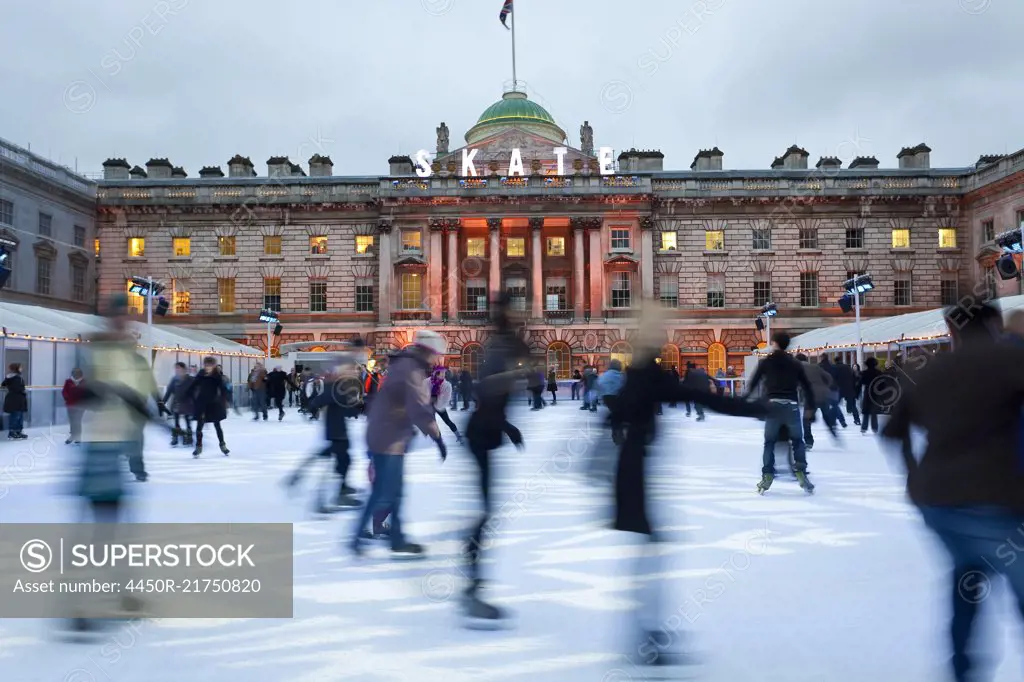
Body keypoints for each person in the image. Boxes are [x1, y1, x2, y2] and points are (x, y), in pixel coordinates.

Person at [607, 301, 771, 672]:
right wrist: (752, 409)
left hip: (631, 468)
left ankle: (644, 634)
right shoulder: (648, 374)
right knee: (650, 554)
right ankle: (644, 638)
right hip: (633, 472)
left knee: (649, 552)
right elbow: (699, 397)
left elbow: (617, 413)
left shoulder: (637, 373)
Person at [881, 301, 1024, 682]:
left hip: (941, 501)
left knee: (968, 579)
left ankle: (962, 669)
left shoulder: (929, 371)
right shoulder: (1011, 362)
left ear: (950, 327)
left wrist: (913, 477)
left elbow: (891, 432)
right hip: (1001, 498)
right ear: (995, 323)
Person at [461, 293, 530, 628]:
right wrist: (508, 425)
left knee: (486, 511)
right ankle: (472, 581)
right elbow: (487, 392)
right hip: (480, 435)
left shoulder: (502, 345)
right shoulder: (500, 347)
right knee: (486, 512)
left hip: (484, 436)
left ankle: (472, 572)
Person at [350, 330, 448, 559]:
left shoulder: (405, 365)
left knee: (391, 492)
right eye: (437, 355)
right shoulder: (411, 369)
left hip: (388, 434)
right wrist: (437, 437)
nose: (438, 360)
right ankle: (368, 539)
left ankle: (393, 538)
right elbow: (418, 407)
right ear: (429, 351)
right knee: (386, 492)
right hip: (388, 438)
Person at [290, 351, 365, 514]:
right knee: (335, 463)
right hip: (336, 431)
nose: (354, 371)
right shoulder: (334, 385)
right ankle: (322, 499)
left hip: (339, 430)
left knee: (344, 461)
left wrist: (356, 406)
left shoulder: (341, 385)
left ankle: (340, 489)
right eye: (351, 369)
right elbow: (319, 400)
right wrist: (313, 408)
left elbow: (346, 406)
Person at [745, 331, 816, 494]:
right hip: (791, 406)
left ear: (774, 343)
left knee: (769, 442)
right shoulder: (795, 363)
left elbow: (753, 384)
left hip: (773, 406)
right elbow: (807, 387)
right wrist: (810, 408)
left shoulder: (766, 363)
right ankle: (800, 470)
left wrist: (745, 402)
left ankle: (768, 473)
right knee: (798, 441)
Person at [188, 357, 232, 457]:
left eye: (210, 365)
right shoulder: (201, 374)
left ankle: (223, 445)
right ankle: (198, 447)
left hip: (213, 404)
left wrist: (225, 400)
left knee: (217, 426)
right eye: (206, 365)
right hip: (202, 404)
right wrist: (191, 396)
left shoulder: (217, 376)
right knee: (200, 427)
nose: (208, 367)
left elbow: (223, 389)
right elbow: (193, 386)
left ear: (213, 366)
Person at [796, 354, 838, 450]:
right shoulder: (815, 366)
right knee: (826, 416)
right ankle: (833, 432)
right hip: (823, 395)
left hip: (811, 397)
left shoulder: (798, 369)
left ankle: (809, 442)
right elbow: (828, 377)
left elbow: (797, 384)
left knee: (806, 420)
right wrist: (825, 386)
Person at [162, 362, 195, 448]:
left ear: (184, 369)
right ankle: (175, 438)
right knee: (176, 421)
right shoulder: (174, 379)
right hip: (177, 403)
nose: (177, 370)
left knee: (188, 421)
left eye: (179, 368)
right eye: (176, 368)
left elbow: (196, 391)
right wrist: (162, 403)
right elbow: (169, 391)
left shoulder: (190, 379)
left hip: (188, 403)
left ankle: (189, 436)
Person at [428, 366, 462, 444]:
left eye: (444, 374)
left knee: (447, 421)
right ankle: (439, 439)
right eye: (442, 374)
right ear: (436, 374)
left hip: (439, 405)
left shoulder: (445, 384)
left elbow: (446, 395)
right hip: (431, 405)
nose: (443, 375)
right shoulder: (430, 381)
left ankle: (458, 436)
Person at [2, 363, 28, 440]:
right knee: (16, 416)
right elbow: (18, 388)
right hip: (16, 399)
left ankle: (17, 432)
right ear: (16, 368)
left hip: (15, 399)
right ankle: (12, 433)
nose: (21, 368)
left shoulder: (11, 377)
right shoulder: (16, 378)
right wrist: (23, 391)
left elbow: (3, 384)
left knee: (19, 416)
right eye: (20, 367)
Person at [62, 368, 87, 445]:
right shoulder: (68, 381)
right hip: (70, 405)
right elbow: (64, 391)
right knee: (72, 421)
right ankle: (73, 435)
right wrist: (67, 398)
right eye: (74, 374)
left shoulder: (84, 382)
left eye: (77, 374)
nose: (75, 375)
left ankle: (78, 437)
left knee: (77, 420)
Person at [858, 357, 882, 434]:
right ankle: (875, 428)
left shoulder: (864, 373)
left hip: (867, 393)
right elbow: (883, 383)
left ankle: (864, 428)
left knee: (866, 412)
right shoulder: (879, 373)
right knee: (874, 412)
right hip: (876, 393)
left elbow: (861, 382)